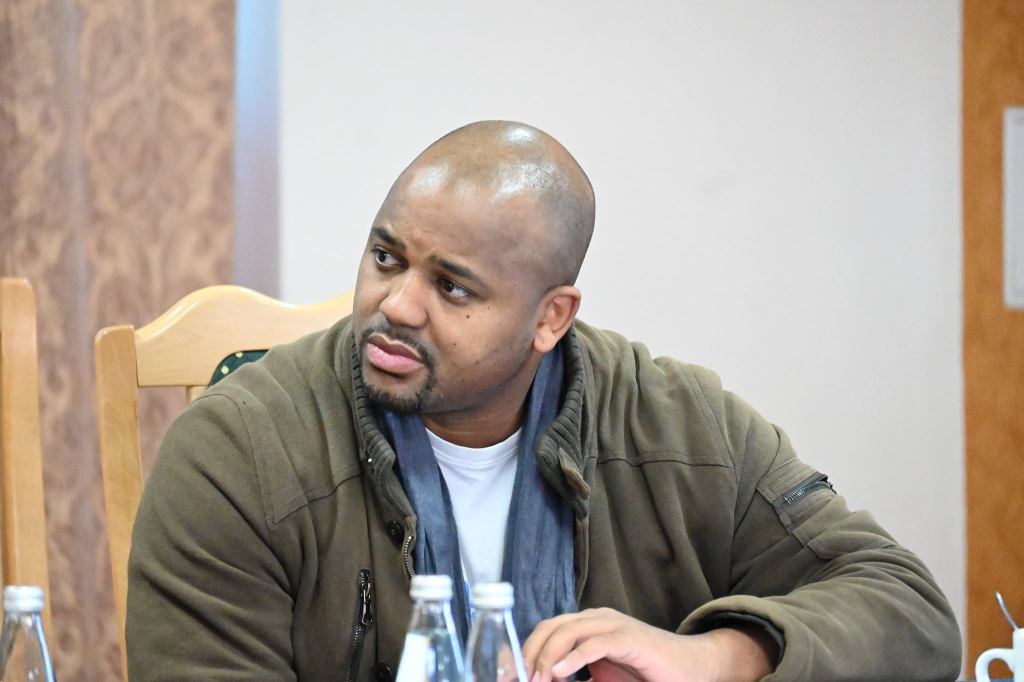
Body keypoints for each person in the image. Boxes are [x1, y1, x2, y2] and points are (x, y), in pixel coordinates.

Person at [127, 121, 961, 682]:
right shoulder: (238, 452)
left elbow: (909, 613)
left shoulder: (680, 426)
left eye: (453, 287)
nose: (398, 306)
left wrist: (718, 657)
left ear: (550, 318)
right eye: (387, 258)